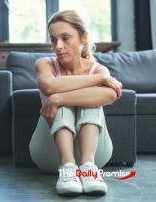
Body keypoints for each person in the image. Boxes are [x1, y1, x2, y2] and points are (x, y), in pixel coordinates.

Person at [29, 10, 122, 196]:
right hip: (49, 155)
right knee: (65, 101)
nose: (58, 46)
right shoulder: (45, 64)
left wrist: (57, 99)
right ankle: (67, 168)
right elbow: (49, 85)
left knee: (80, 101)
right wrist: (99, 79)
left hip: (97, 156)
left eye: (65, 38)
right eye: (54, 40)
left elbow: (112, 94)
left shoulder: (97, 69)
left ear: (83, 38)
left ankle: (88, 168)